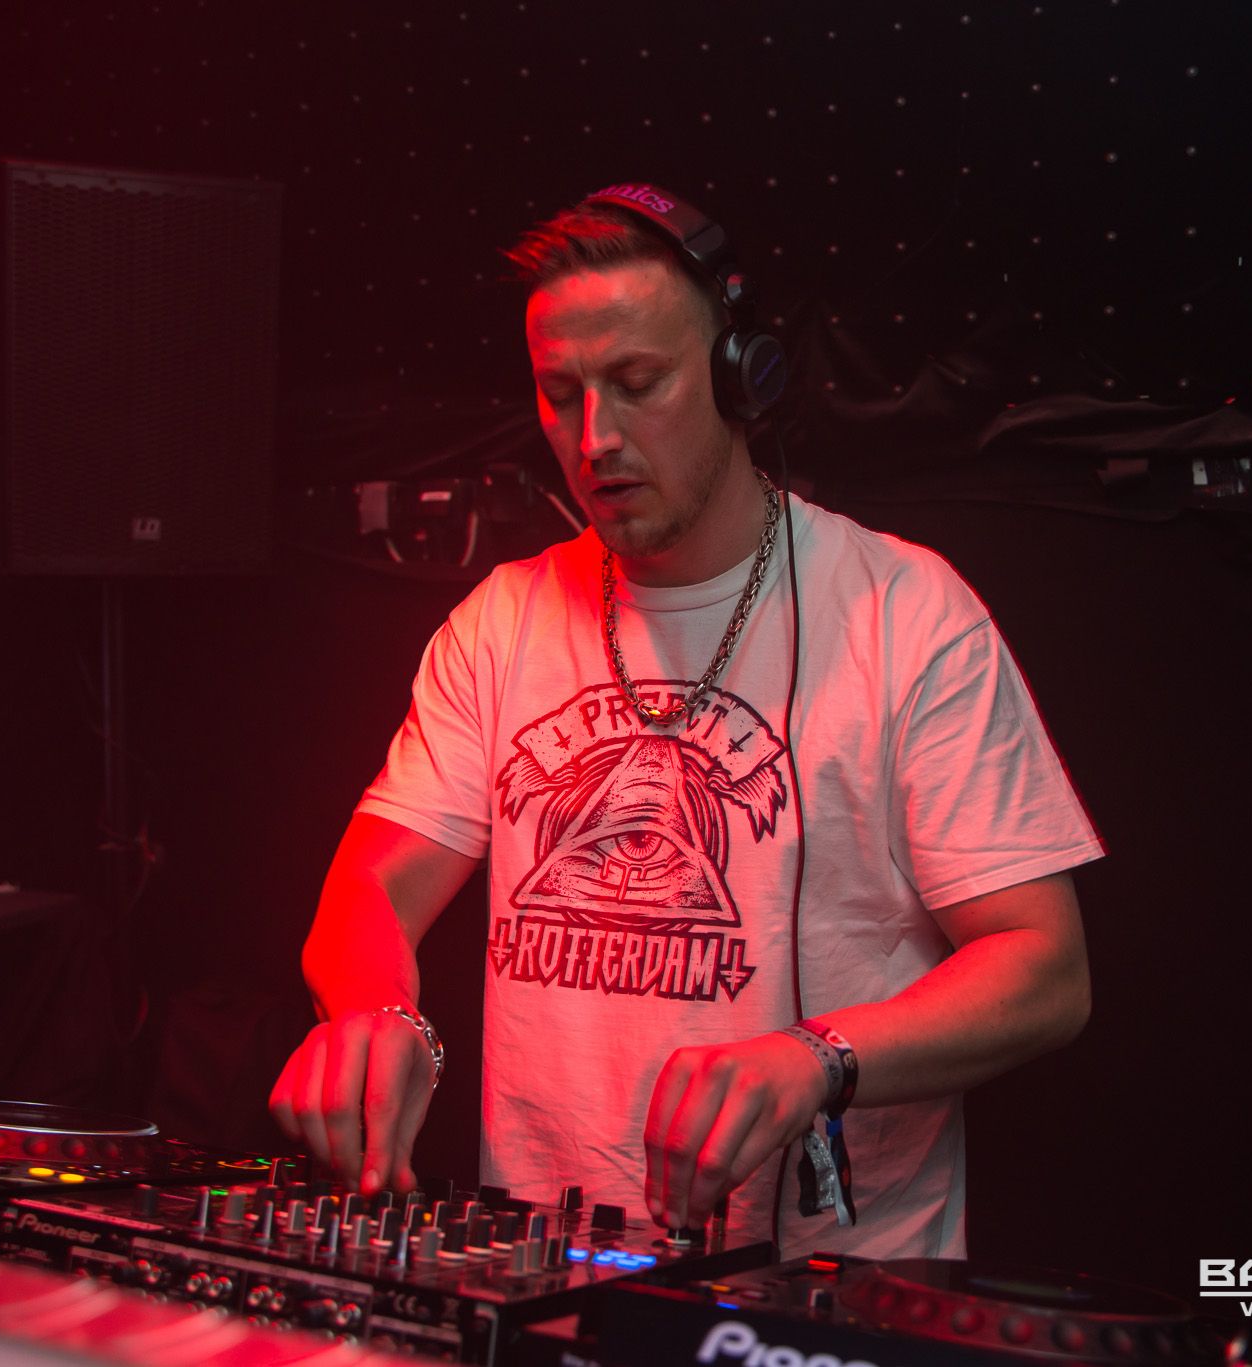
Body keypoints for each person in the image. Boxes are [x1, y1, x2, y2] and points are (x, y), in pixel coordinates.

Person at [271, 183, 1102, 1258]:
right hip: (549, 1268)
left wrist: (819, 1056)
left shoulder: (905, 614)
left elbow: (1043, 968)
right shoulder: (501, 621)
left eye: (636, 383)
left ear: (740, 376)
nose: (594, 436)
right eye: (559, 392)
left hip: (825, 1290)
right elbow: (372, 885)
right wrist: (375, 1010)